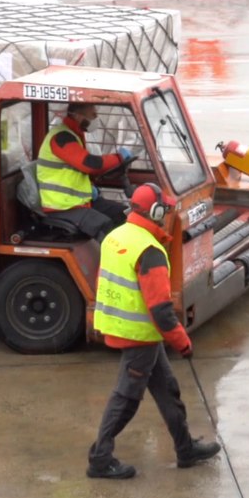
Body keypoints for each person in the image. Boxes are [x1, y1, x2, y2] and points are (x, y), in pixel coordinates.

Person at [86, 183, 222, 480]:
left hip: (124, 327)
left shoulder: (115, 236)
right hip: (140, 333)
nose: (167, 215)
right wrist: (183, 342)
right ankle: (100, 458)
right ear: (156, 212)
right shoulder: (150, 250)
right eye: (165, 210)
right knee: (126, 399)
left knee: (166, 388)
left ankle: (185, 449)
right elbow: (161, 310)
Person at [37, 103, 132, 240]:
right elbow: (90, 164)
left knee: (124, 214)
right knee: (104, 225)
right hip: (62, 206)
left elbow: (79, 170)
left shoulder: (74, 135)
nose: (96, 118)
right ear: (78, 116)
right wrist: (119, 158)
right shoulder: (61, 137)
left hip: (79, 201)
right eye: (93, 115)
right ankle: (109, 259)